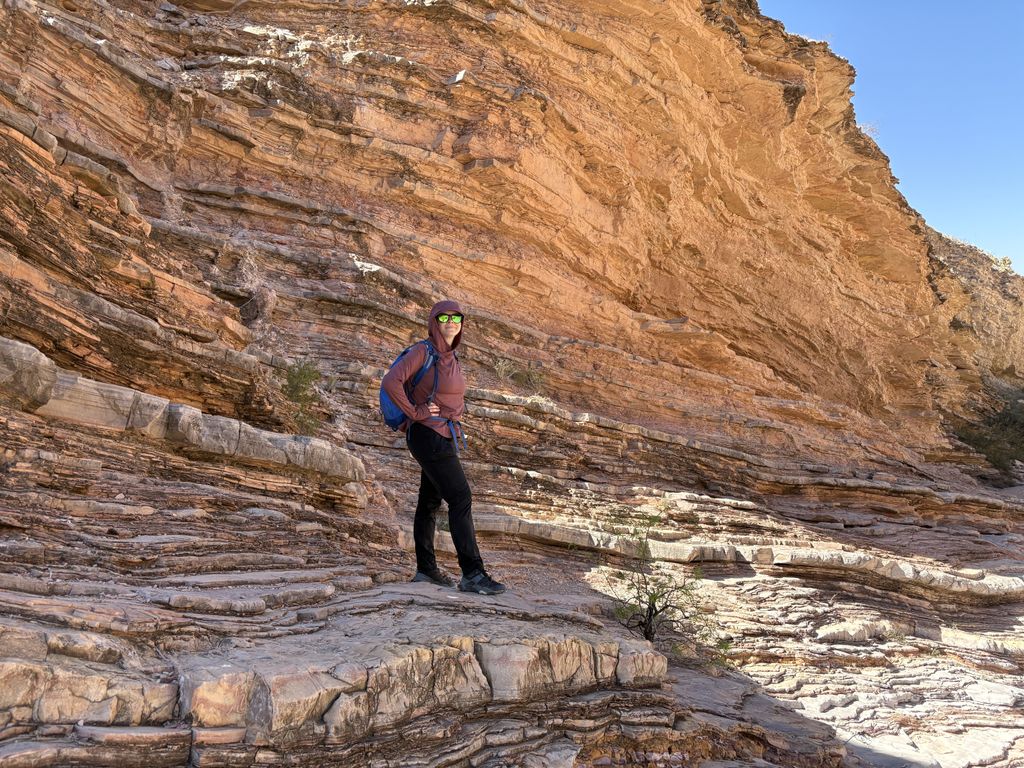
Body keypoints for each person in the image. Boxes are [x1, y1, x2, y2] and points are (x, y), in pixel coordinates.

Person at [381, 299, 506, 595]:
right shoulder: (423, 351)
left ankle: (426, 570)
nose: (451, 321)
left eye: (456, 317)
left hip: (441, 435)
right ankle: (473, 574)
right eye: (444, 317)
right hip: (428, 434)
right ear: (434, 321)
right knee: (461, 497)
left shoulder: (449, 356)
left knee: (429, 502)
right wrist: (416, 412)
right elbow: (391, 381)